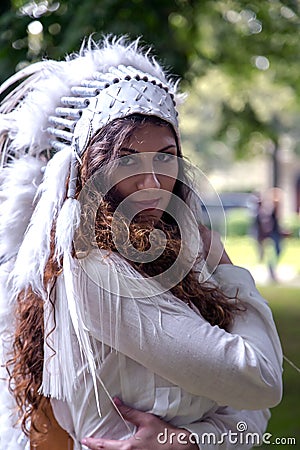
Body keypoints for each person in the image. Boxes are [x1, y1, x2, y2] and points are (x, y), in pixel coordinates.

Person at [0, 37, 282, 450]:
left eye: (166, 157)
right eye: (127, 161)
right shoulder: (94, 271)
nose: (151, 185)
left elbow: (255, 418)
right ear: (92, 172)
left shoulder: (180, 263)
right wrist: (226, 266)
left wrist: (185, 441)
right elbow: (260, 379)